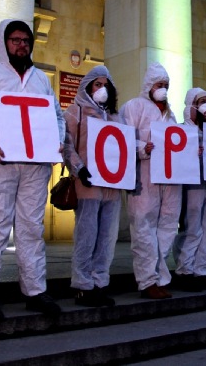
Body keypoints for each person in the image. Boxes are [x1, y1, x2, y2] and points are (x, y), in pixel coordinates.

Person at [0, 19, 65, 321]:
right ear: (4, 43)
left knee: (31, 227)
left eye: (26, 40)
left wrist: (56, 141)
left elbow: (56, 115)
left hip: (34, 166)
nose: (21, 45)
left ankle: (34, 290)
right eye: (15, 39)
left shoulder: (41, 80)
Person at [120, 62, 182, 299]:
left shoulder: (170, 113)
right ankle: (147, 281)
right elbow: (123, 139)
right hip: (144, 177)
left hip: (169, 179)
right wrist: (142, 148)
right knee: (144, 228)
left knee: (167, 225)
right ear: (149, 85)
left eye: (166, 85)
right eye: (159, 84)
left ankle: (159, 276)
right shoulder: (133, 107)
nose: (163, 89)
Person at [63, 66, 120, 307]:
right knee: (86, 235)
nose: (102, 89)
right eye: (97, 84)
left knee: (107, 236)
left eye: (105, 85)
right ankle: (82, 285)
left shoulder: (116, 117)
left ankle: (99, 282)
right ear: (87, 86)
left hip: (113, 186)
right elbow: (67, 146)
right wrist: (79, 169)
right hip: (88, 183)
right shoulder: (75, 112)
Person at [172, 88, 206, 291]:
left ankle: (203, 270)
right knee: (192, 226)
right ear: (191, 105)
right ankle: (185, 270)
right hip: (192, 183)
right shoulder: (182, 129)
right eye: (202, 102)